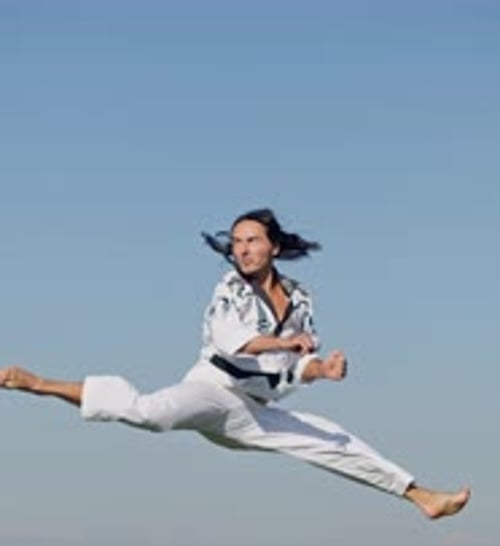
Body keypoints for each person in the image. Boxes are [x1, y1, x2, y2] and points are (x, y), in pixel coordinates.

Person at [0, 208, 470, 520]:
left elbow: (293, 365)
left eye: (252, 240)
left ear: (274, 247)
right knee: (150, 412)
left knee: (330, 438)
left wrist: (320, 370)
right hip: (212, 391)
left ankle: (422, 497)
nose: (242, 249)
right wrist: (282, 344)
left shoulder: (301, 298)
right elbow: (234, 345)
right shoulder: (230, 288)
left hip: (254, 410)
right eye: (236, 241)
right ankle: (39, 383)